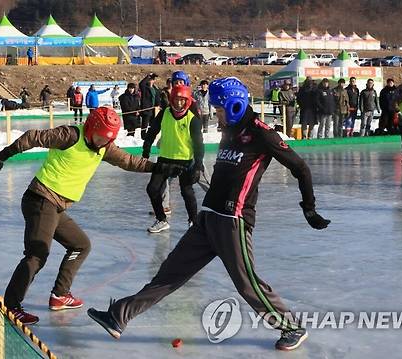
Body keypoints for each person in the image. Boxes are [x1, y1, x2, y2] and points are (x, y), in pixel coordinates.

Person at [88, 77, 330, 352]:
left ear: (235, 105)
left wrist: (308, 207)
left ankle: (290, 327)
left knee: (247, 283)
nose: (216, 115)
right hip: (208, 218)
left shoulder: (262, 133)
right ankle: (119, 316)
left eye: (219, 109)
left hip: (233, 221)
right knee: (169, 273)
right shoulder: (230, 130)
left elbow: (301, 168)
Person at [0, 107, 183, 325]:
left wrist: (160, 168)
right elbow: (32, 137)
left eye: (107, 139)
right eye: (100, 137)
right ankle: (11, 306)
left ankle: (60, 295)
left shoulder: (105, 147)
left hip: (56, 206)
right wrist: (1, 157)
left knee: (80, 245)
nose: (101, 143)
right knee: (37, 254)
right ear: (90, 127)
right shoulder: (70, 135)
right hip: (41, 199)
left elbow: (129, 161)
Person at [142, 85, 204, 233]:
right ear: (171, 100)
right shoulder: (164, 114)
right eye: (176, 99)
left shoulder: (192, 120)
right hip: (165, 159)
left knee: (187, 191)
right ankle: (161, 219)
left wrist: (197, 166)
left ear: (187, 101)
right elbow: (152, 131)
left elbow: (199, 145)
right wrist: (146, 148)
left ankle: (193, 221)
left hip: (185, 161)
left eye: (182, 100)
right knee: (152, 189)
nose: (179, 103)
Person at [138, 73, 160, 139]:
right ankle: (143, 136)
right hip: (146, 109)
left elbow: (157, 98)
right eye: (150, 79)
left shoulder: (155, 89)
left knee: (153, 123)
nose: (151, 81)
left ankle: (151, 135)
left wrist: (158, 104)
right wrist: (147, 76)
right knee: (145, 124)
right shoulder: (145, 88)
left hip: (154, 109)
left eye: (152, 80)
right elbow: (141, 84)